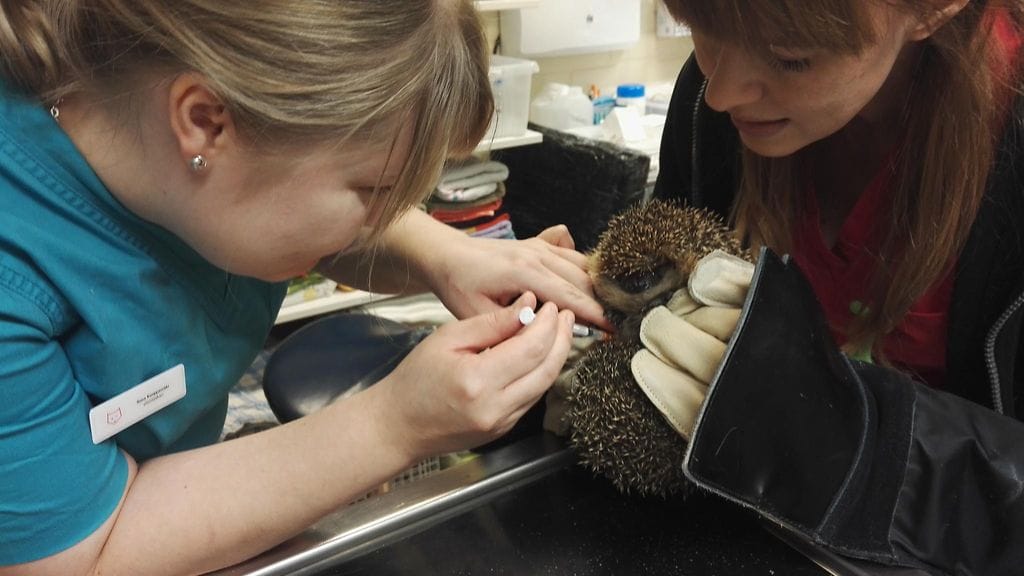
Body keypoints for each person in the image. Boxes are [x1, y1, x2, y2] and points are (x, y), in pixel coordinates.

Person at [0, 2, 609, 574]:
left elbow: (313, 220)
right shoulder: (16, 276)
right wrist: (395, 425)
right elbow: (84, 553)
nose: (387, 218)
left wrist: (447, 256)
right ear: (206, 123)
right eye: (372, 191)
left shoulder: (180, 162)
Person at [633, 0, 1024, 574]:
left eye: (790, 59)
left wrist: (863, 446)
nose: (720, 92)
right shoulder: (707, 98)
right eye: (702, 29)